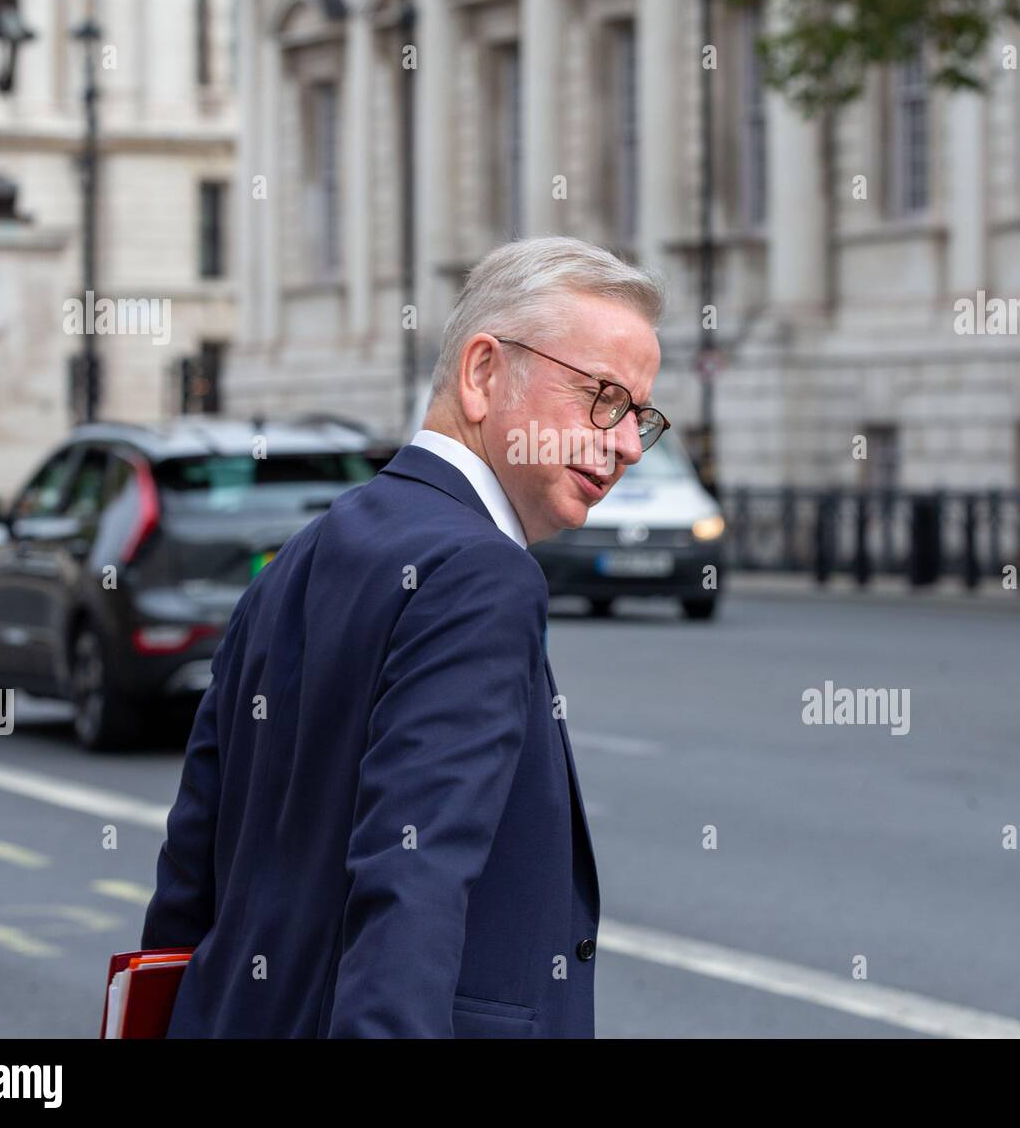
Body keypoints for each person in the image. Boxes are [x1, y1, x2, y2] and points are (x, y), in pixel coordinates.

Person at [139, 235, 667, 1037]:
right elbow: (412, 879)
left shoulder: (301, 556)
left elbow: (188, 879)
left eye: (640, 415)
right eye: (602, 397)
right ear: (483, 373)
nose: (626, 443)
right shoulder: (483, 572)